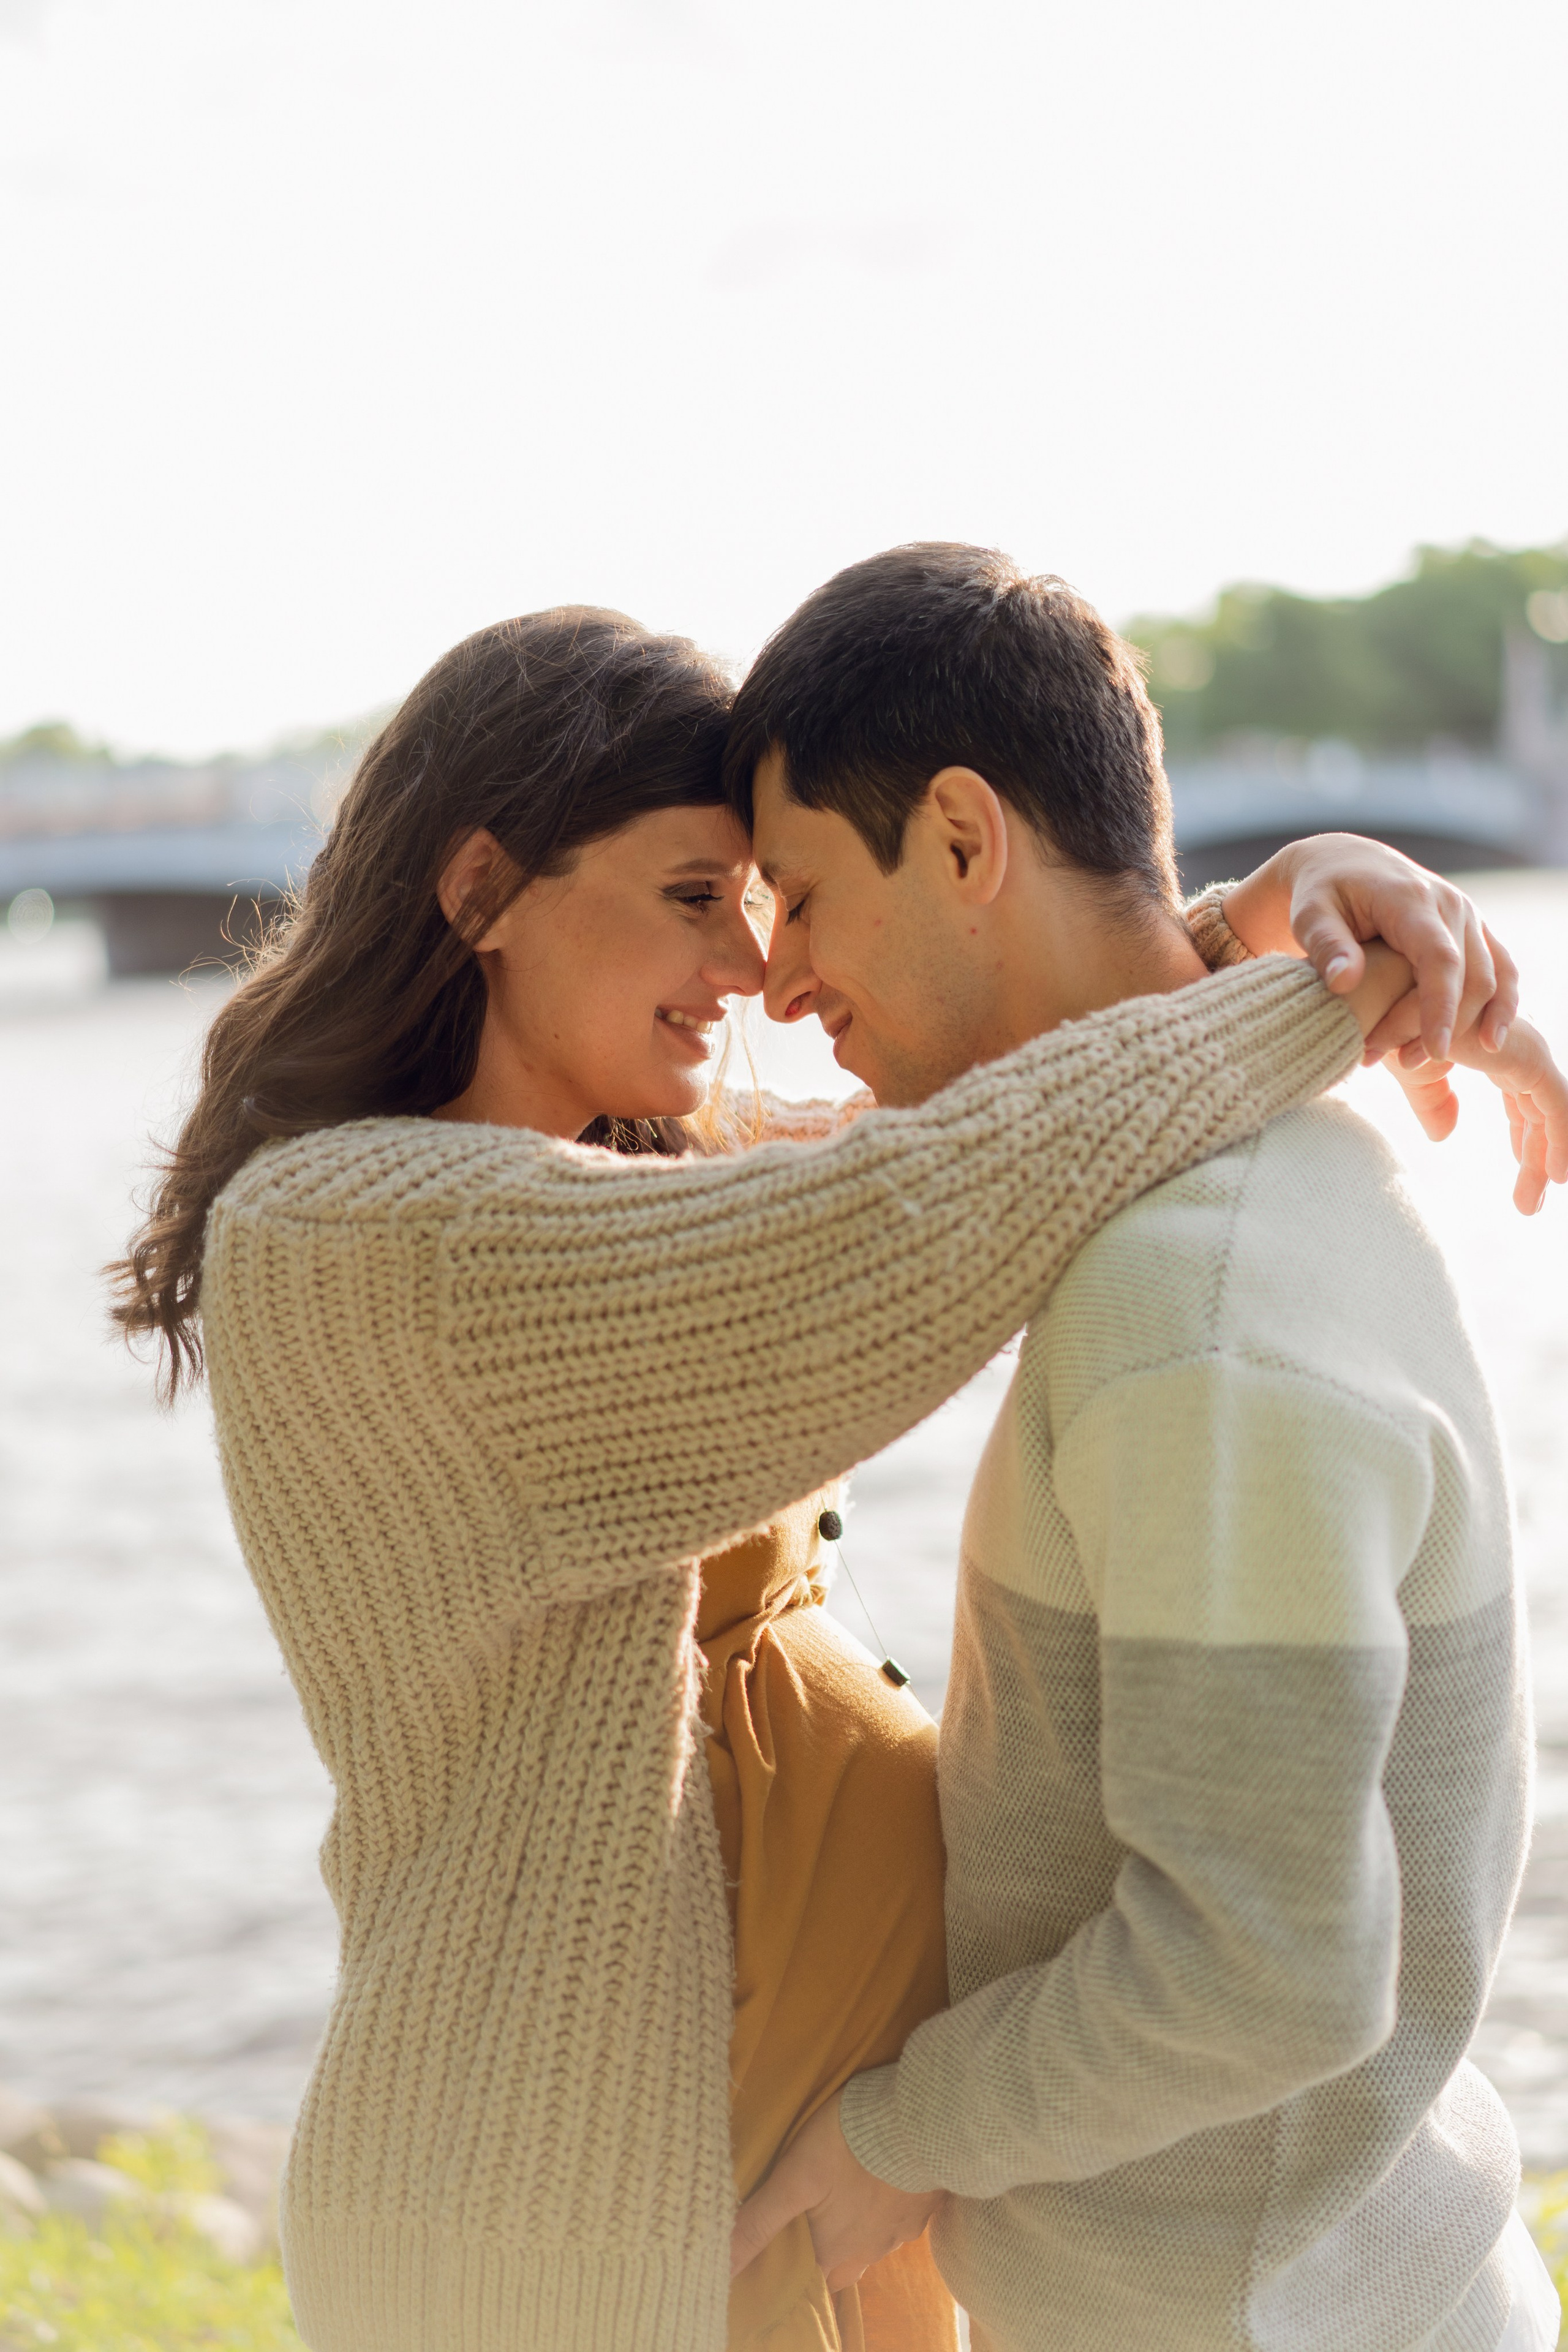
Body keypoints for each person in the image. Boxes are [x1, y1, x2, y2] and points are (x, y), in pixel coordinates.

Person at [110, 606, 1547, 2352]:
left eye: (767, 899)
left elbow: (986, 1105)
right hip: (567, 2212)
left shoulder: (640, 1186)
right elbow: (935, 1198)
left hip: (815, 2195)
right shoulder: (350, 1240)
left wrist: (1255, 922)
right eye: (694, 896)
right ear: (482, 891)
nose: (752, 967)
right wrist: (1329, 988)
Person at [723, 545, 1568, 2352]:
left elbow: (1265, 1966)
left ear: (965, 839)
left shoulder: (1194, 1312)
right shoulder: (1257, 1158)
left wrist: (896, 2137)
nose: (776, 980)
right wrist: (1258, 930)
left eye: (799, 895)